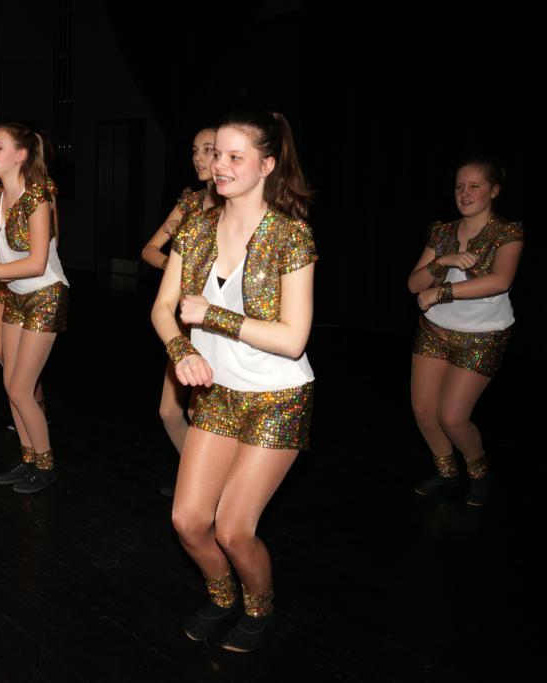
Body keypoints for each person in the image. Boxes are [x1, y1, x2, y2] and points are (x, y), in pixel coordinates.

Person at [152, 110, 316, 652]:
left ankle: (259, 605)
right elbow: (164, 307)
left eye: (233, 157)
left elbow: (293, 339)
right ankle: (223, 596)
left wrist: (213, 316)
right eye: (215, 153)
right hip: (218, 394)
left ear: (267, 165)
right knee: (188, 521)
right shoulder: (196, 228)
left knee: (233, 529)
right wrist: (180, 349)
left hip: (277, 398)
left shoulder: (290, 235)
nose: (218, 165)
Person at [407, 157, 523, 506]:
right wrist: (442, 261)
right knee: (424, 411)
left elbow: (500, 281)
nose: (465, 193)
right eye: (460, 186)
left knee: (453, 418)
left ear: (494, 190)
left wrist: (441, 292)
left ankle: (479, 472)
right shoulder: (442, 232)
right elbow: (414, 284)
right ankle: (446, 473)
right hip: (435, 330)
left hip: (482, 336)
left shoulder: (507, 232)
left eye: (474, 186)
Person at [0, 123, 69, 493]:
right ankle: (28, 458)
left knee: (21, 388)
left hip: (45, 295)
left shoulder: (36, 197)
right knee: (11, 383)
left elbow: (38, 263)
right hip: (13, 293)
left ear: (20, 155)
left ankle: (46, 465)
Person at [142, 127, 218, 497]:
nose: (199, 158)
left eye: (209, 150)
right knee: (170, 412)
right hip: (184, 322)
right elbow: (149, 250)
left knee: (196, 414)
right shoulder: (190, 202)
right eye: (195, 151)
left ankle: (206, 486)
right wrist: (177, 271)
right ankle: (199, 479)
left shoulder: (236, 208)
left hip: (219, 324)